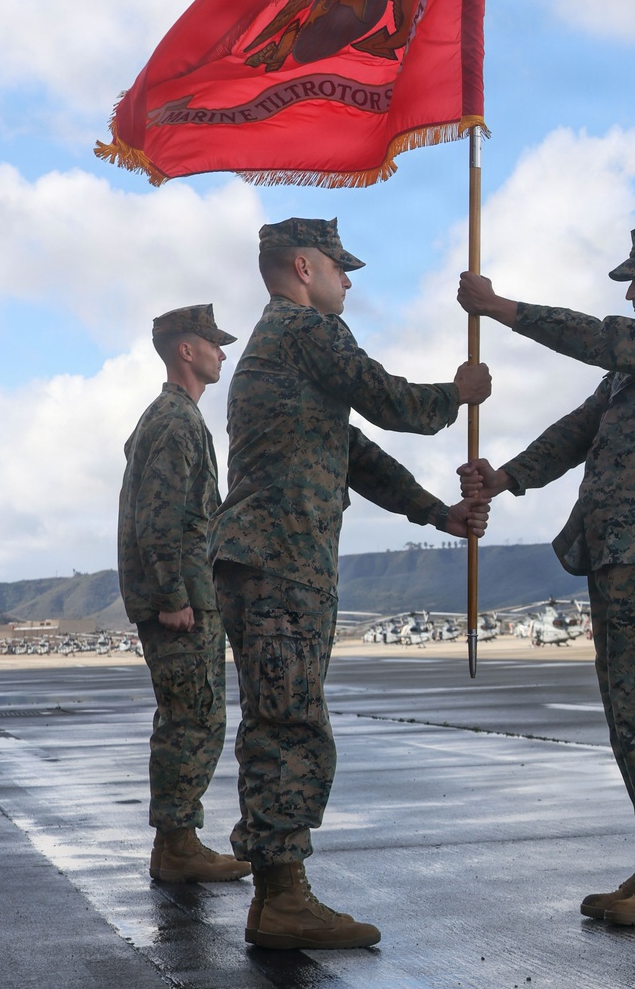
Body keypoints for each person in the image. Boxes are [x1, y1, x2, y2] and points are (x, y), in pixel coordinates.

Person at [209, 217, 492, 952]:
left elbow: (355, 453)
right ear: (304, 266)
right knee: (289, 725)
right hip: (280, 561)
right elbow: (388, 401)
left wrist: (437, 514)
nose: (349, 279)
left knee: (281, 717)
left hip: (273, 559)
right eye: (341, 266)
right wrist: (456, 394)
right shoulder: (306, 332)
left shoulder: (288, 350)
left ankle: (279, 888)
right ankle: (282, 897)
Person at [457, 229, 635, 927]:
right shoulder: (630, 376)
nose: (631, 293)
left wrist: (504, 309)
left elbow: (608, 338)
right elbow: (576, 429)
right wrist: (507, 478)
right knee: (630, 715)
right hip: (617, 556)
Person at [117, 304, 250, 885]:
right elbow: (159, 516)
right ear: (185, 351)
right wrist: (173, 595)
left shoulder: (176, 417)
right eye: (213, 343)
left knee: (192, 716)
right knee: (192, 719)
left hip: (189, 593)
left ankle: (178, 840)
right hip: (181, 601)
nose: (222, 352)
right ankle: (176, 845)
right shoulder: (175, 420)